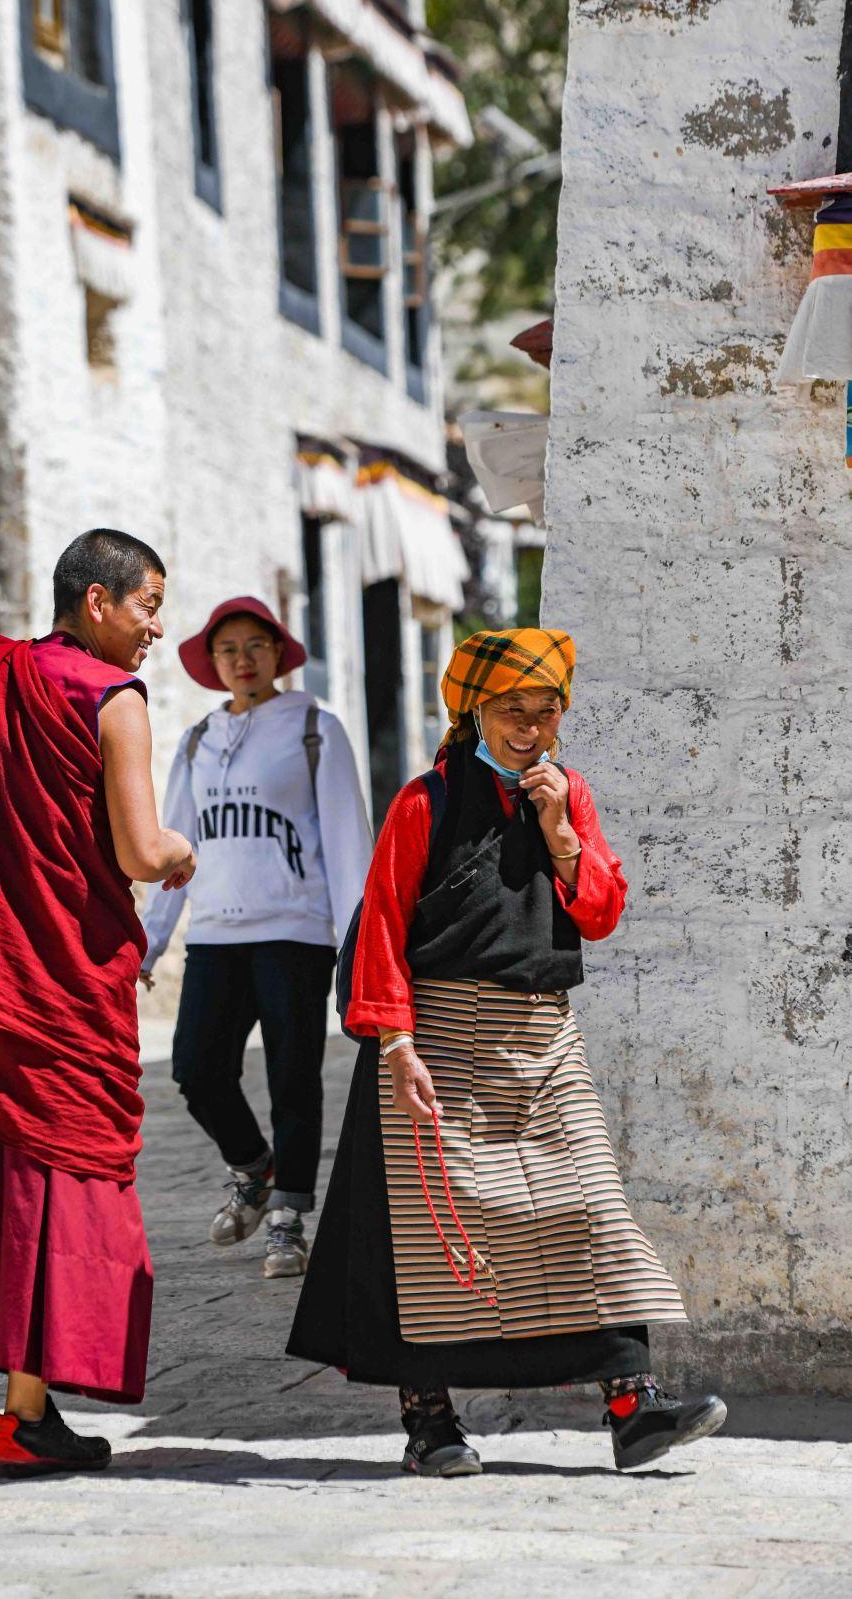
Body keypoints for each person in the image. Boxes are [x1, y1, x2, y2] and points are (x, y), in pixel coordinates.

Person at [287, 627, 728, 1475]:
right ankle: (430, 1422)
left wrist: (560, 826)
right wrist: (396, 1043)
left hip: (542, 1038)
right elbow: (378, 920)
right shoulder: (426, 800)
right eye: (510, 708)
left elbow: (598, 911)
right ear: (472, 709)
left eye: (545, 708)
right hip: (439, 1039)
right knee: (430, 1234)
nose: (529, 726)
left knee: (588, 1208)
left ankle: (634, 1407)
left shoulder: (569, 794)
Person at [0, 529, 195, 1476]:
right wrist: (183, 850)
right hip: (65, 973)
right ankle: (24, 1413)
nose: (155, 627)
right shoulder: (114, 699)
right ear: (95, 601)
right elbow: (139, 851)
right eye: (146, 605)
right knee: (56, 1176)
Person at [141, 596, 371, 1279]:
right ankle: (254, 1166)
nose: (242, 660)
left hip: (294, 931)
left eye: (255, 646)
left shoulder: (314, 728)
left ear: (278, 653)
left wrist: (360, 940)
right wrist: (149, 941)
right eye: (228, 650)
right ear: (212, 664)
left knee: (293, 1075)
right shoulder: (195, 740)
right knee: (195, 1068)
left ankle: (288, 1217)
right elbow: (170, 850)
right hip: (214, 931)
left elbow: (347, 839)